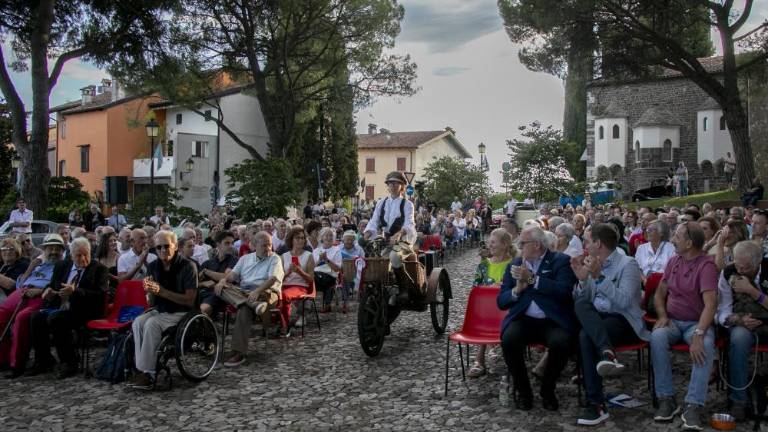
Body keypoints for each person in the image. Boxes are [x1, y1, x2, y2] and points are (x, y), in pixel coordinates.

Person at [571, 223, 650, 425]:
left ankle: (596, 404)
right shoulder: (592, 263)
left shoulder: (628, 264)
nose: (584, 245)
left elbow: (623, 302)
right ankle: (607, 352)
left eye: (587, 241)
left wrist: (599, 277)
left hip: (624, 321)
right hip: (599, 320)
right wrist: (582, 280)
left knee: (585, 336)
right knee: (580, 303)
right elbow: (586, 301)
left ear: (598, 243)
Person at [497, 226, 578, 411]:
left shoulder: (560, 261)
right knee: (509, 340)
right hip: (524, 318)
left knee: (561, 343)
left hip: (552, 319)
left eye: (522, 243)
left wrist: (533, 280)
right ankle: (524, 391)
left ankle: (547, 389)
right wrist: (517, 290)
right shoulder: (515, 265)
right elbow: (501, 302)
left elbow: (564, 292)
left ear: (536, 245)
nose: (519, 247)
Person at [650, 222, 718, 430]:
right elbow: (660, 294)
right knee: (657, 337)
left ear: (689, 243)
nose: (673, 240)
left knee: (705, 345)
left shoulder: (706, 266)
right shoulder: (673, 261)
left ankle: (693, 405)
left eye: (678, 236)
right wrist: (661, 315)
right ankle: (666, 399)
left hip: (696, 323)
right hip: (672, 320)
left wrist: (698, 334)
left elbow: (711, 305)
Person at [28, 237, 108, 378]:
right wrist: (48, 291)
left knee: (56, 319)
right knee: (36, 317)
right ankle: (44, 360)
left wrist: (75, 291)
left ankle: (69, 362)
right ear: (71, 255)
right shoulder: (62, 266)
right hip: (61, 306)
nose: (83, 258)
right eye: (78, 255)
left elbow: (100, 296)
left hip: (85, 310)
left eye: (86, 254)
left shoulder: (99, 269)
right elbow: (52, 284)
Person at [128, 230, 197, 389]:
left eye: (167, 246)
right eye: (159, 248)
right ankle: (141, 368)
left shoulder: (188, 266)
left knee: (152, 324)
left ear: (175, 246)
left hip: (181, 310)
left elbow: (189, 300)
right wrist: (149, 292)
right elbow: (152, 302)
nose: (163, 250)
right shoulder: (153, 266)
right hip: (161, 309)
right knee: (138, 322)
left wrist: (161, 291)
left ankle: (149, 373)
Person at [716, 241, 768, 421]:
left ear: (757, 263)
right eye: (737, 264)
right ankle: (739, 400)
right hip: (743, 321)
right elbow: (723, 310)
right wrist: (738, 320)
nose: (739, 269)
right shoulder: (728, 272)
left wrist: (752, 292)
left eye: (744, 267)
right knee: (738, 338)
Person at [0, 234, 65, 377]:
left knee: (21, 319)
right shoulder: (38, 264)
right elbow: (19, 284)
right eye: (50, 248)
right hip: (23, 291)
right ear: (44, 250)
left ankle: (17, 364)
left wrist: (40, 290)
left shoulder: (63, 266)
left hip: (41, 296)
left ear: (62, 250)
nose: (53, 251)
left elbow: (61, 287)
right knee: (1, 314)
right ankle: (2, 358)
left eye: (57, 249)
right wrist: (30, 267)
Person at [214, 232, 283, 367]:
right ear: (254, 245)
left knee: (244, 309)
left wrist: (257, 291)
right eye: (264, 245)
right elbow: (233, 275)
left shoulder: (275, 258)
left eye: (269, 244)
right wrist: (223, 281)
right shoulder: (245, 259)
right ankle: (253, 305)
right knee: (220, 288)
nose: (268, 248)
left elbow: (272, 279)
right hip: (245, 293)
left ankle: (238, 352)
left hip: (266, 292)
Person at [467, 228, 516, 378]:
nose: (490, 245)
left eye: (493, 242)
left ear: (504, 244)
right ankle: (480, 358)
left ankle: (486, 356)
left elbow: (521, 288)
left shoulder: (514, 265)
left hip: (508, 310)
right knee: (483, 311)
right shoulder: (484, 265)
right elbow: (475, 290)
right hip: (487, 312)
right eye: (489, 243)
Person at [363, 171, 417, 305]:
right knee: (379, 258)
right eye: (390, 183)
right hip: (387, 240)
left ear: (402, 186)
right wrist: (367, 233)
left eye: (396, 183)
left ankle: (403, 289)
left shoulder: (407, 204)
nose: (392, 185)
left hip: (405, 240)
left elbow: (409, 223)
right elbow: (374, 220)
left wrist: (399, 234)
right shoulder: (382, 202)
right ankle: (384, 288)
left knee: (394, 257)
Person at [280, 226, 315, 331]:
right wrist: (288, 272)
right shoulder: (284, 256)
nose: (301, 240)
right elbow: (279, 277)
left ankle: (285, 325)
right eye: (297, 238)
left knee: (284, 295)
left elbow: (311, 279)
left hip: (300, 286)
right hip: (284, 285)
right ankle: (279, 320)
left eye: (302, 238)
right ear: (291, 240)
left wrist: (299, 271)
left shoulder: (308, 256)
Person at [198, 230, 238, 317]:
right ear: (218, 244)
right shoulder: (208, 263)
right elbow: (194, 282)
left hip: (219, 294)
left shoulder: (234, 260)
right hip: (200, 293)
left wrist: (206, 271)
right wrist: (203, 283)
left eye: (232, 243)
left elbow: (226, 276)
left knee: (203, 309)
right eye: (227, 243)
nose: (231, 246)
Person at [313, 227, 342, 313]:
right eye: (326, 235)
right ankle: (304, 304)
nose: (329, 237)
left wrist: (326, 260)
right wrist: (319, 260)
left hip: (330, 275)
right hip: (317, 275)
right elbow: (312, 266)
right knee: (309, 277)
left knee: (327, 280)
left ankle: (327, 304)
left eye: (331, 235)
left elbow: (337, 269)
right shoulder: (316, 251)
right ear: (321, 237)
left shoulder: (337, 250)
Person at [338, 230, 364, 313]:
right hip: (343, 272)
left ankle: (361, 301)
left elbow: (363, 260)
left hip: (357, 272)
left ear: (354, 240)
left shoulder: (359, 249)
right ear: (343, 240)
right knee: (344, 277)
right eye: (347, 239)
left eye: (351, 239)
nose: (349, 241)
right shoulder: (338, 248)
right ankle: (345, 301)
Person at [0, 239, 29, 304]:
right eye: (4, 249)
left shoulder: (23, 263)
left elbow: (11, 285)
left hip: (11, 299)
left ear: (17, 251)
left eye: (11, 249)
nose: (8, 252)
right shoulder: (1, 264)